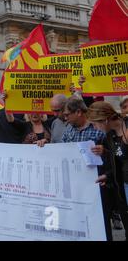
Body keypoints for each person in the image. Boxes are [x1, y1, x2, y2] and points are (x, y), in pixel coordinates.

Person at [60, 97, 113, 240]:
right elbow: (59, 153)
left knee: (101, 222)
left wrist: (105, 151)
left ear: (78, 112)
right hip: (75, 187)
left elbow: (115, 156)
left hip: (98, 185)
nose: (65, 118)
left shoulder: (99, 128)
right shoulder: (69, 131)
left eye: (67, 114)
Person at [88, 101, 128, 240]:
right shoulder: (109, 136)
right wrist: (107, 176)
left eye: (94, 124)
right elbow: (116, 162)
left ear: (104, 120)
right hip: (123, 188)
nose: (94, 128)